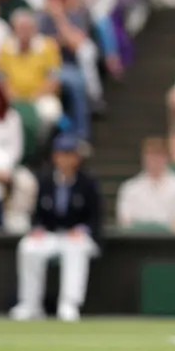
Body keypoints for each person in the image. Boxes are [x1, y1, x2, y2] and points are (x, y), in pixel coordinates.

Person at [10, 134, 102, 322]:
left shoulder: (88, 183)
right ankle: (30, 304)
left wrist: (82, 230)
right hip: (51, 236)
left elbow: (95, 217)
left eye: (70, 154)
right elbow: (38, 215)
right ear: (55, 156)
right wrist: (37, 228)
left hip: (78, 237)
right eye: (62, 154)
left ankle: (69, 304)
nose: (66, 159)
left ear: (77, 158)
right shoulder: (45, 181)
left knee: (74, 249)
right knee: (28, 247)